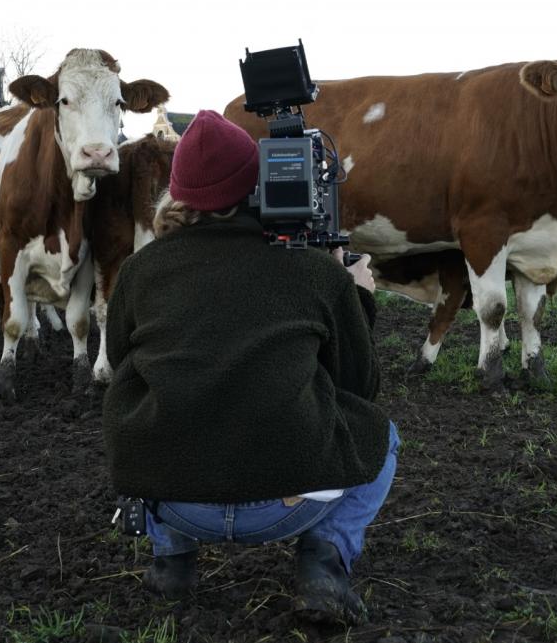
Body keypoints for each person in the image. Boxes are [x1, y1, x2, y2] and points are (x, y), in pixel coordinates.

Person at [101, 110, 399, 626]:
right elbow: (360, 387)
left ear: (178, 193)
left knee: (148, 406)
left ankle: (171, 562)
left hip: (175, 502)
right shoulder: (311, 270)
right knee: (384, 435)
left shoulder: (139, 271)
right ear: (260, 185)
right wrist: (356, 300)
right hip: (292, 503)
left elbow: (124, 364)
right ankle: (323, 565)